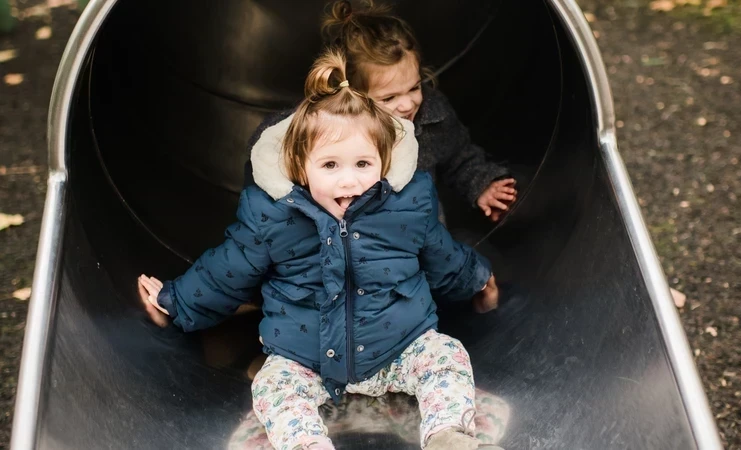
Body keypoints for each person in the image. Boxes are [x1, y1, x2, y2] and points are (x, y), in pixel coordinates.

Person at [139, 49, 504, 450]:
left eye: (363, 164)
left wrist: (476, 279)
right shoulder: (274, 216)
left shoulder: (406, 205)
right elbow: (227, 272)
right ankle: (306, 444)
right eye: (330, 166)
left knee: (446, 354)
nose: (349, 181)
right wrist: (175, 303)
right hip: (307, 358)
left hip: (398, 348)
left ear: (383, 162)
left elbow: (442, 254)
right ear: (300, 165)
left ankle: (448, 435)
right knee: (273, 385)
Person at [245, 0, 517, 224]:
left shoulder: (431, 116)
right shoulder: (326, 125)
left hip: (417, 243)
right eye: (389, 97)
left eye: (413, 87)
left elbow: (458, 156)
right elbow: (268, 144)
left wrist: (481, 184)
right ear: (351, 95)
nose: (408, 104)